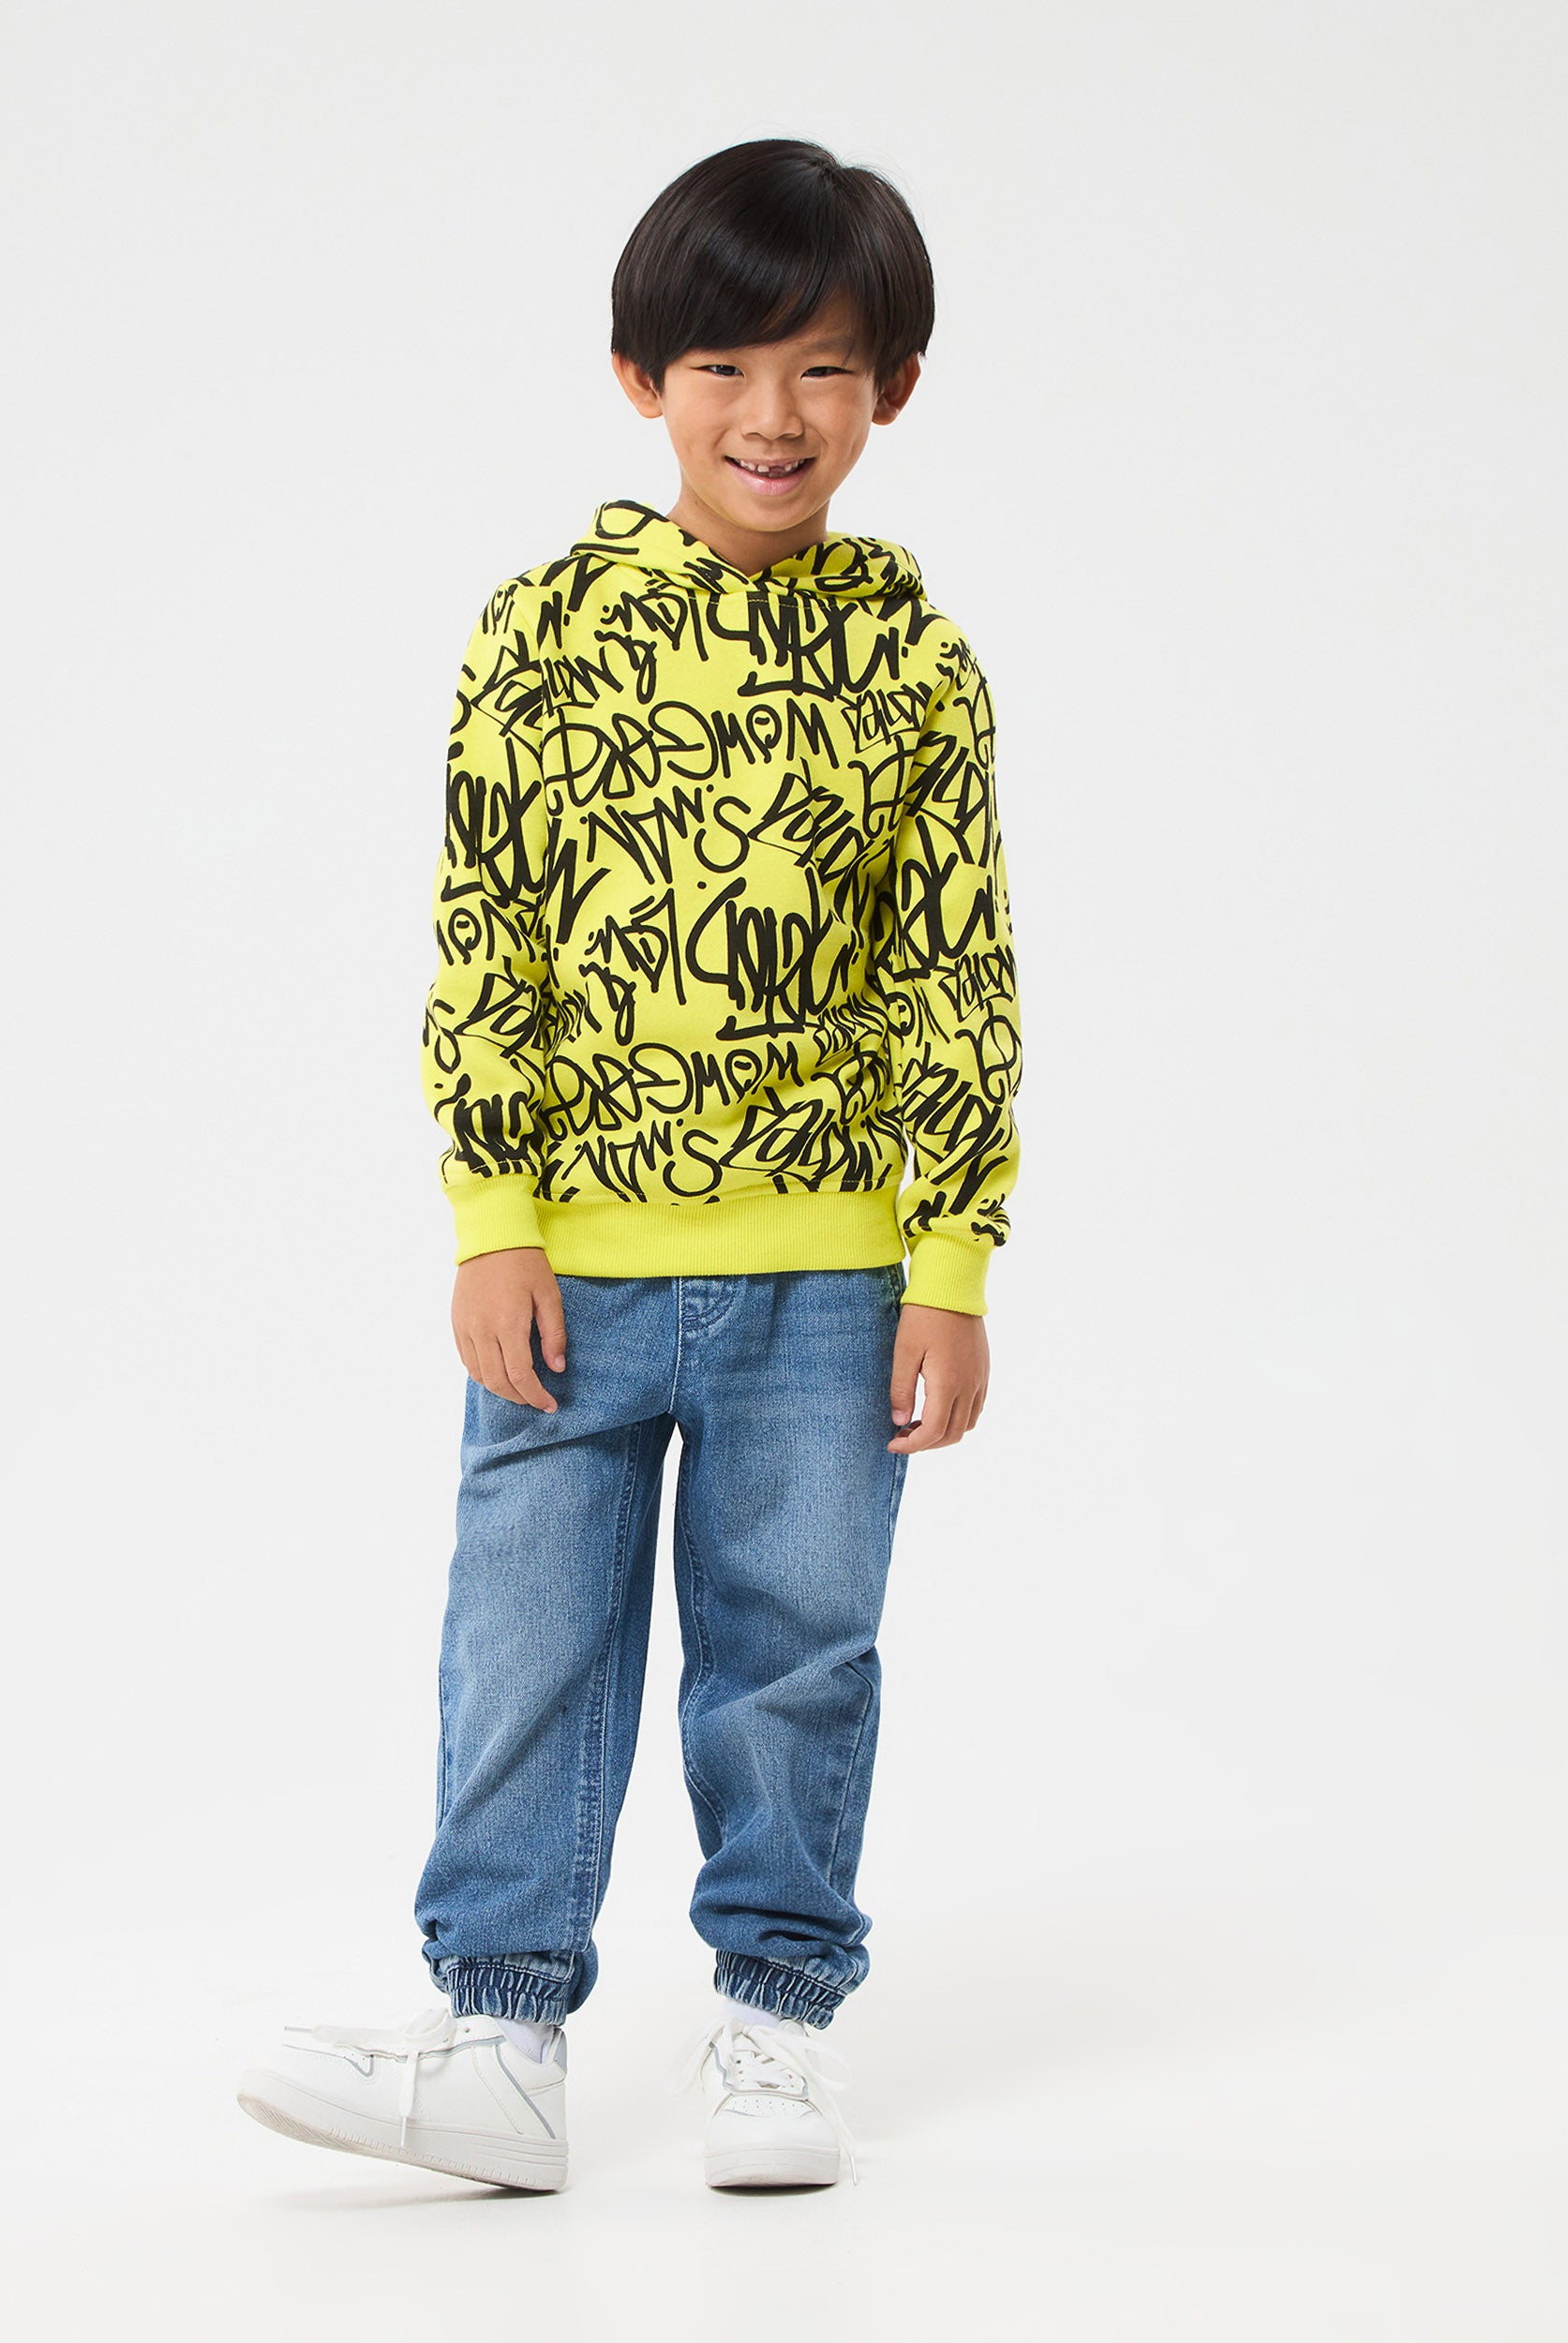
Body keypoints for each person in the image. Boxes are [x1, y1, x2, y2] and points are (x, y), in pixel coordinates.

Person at [237, 135, 1023, 2194]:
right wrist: (492, 1220)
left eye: (826, 368)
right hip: (571, 1265)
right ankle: (499, 2034)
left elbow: (953, 975)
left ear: (893, 391)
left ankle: (776, 2026)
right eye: (725, 365)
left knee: (794, 1654)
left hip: (830, 1277)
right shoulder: (543, 632)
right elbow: (488, 932)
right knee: (526, 1644)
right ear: (637, 379)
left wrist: (949, 1262)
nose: (775, 413)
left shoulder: (917, 666)